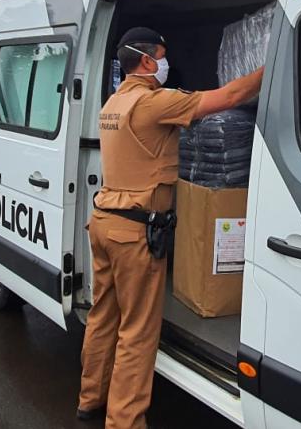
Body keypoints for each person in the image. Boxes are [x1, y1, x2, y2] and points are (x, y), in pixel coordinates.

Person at [78, 27, 263, 428]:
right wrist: (272, 66)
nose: (166, 64)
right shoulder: (152, 102)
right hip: (133, 233)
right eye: (162, 57)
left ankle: (91, 399)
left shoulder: (114, 103)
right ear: (146, 61)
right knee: (138, 333)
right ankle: (124, 421)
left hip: (105, 224)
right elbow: (230, 97)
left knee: (103, 317)